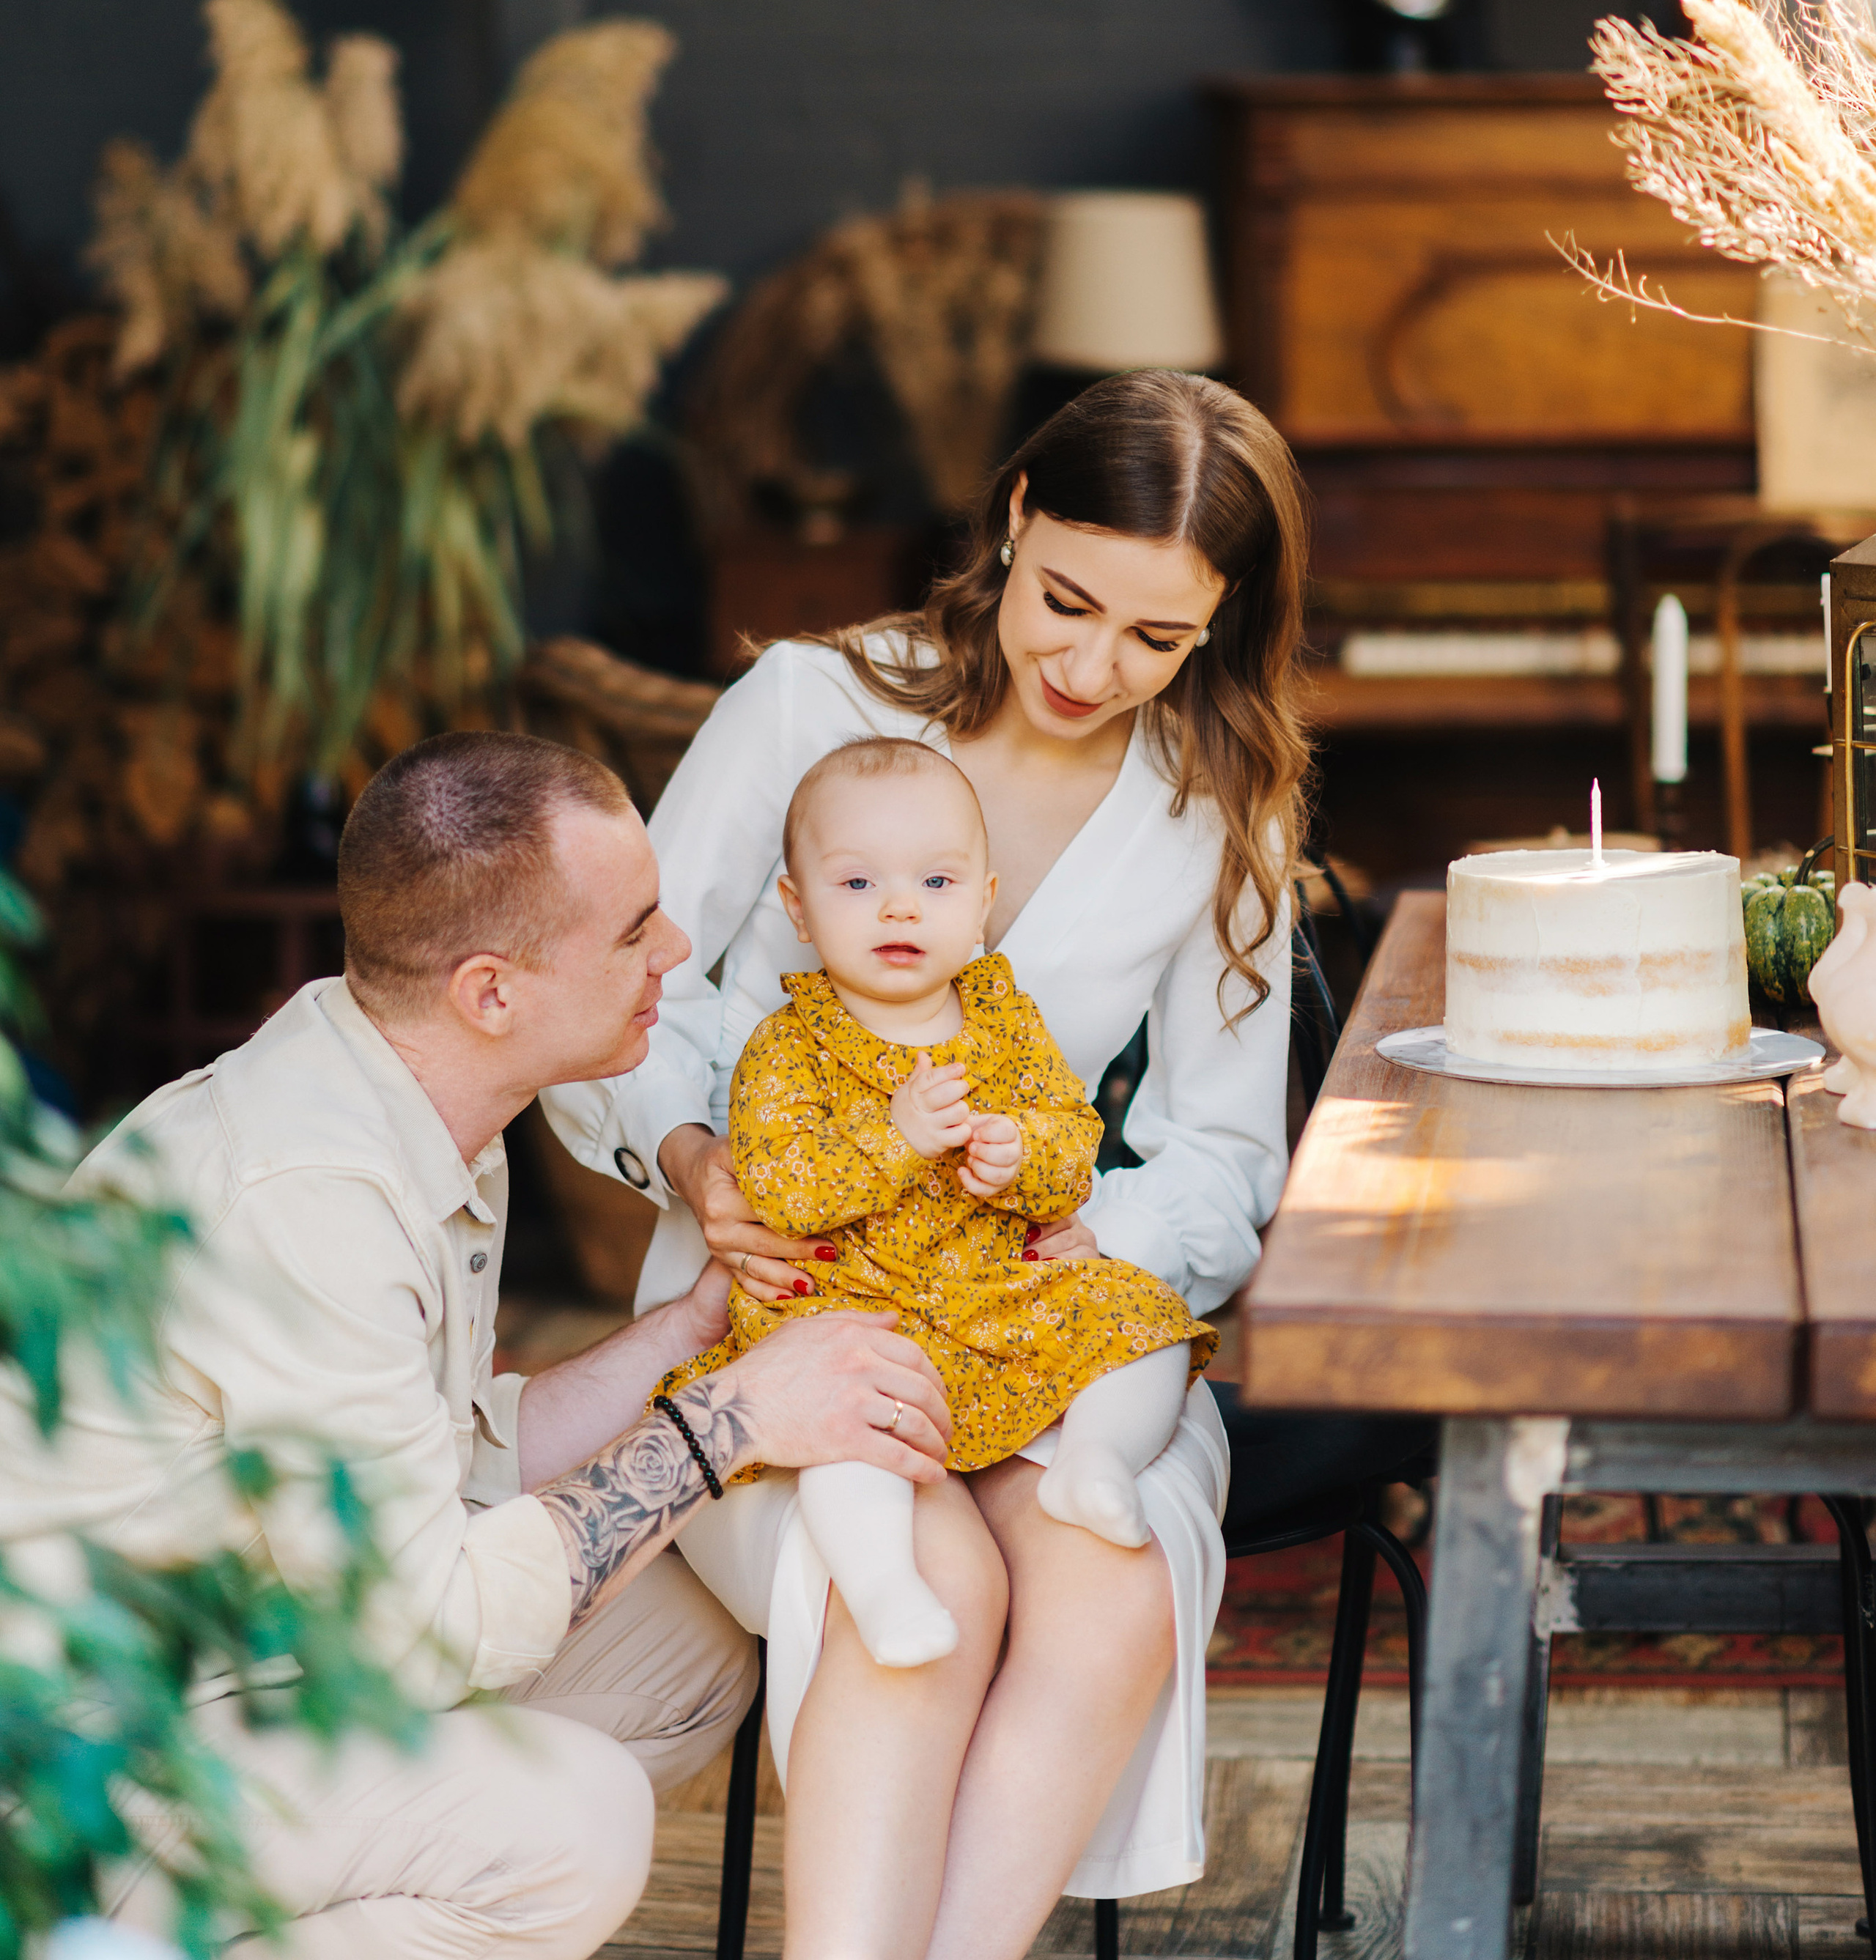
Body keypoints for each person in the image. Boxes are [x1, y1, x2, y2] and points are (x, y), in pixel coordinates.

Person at [543, 367, 1312, 1959]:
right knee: (930, 1598)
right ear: (1016, 515)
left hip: (1039, 1309)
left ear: (1220, 624)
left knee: (1107, 1589)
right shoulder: (808, 706)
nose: (1089, 669)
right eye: (1067, 603)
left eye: (1157, 638)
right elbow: (619, 995)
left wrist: (1091, 1234)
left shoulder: (1215, 802)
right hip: (791, 1299)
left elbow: (1226, 1153)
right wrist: (692, 1160)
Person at [2, 731, 952, 1960]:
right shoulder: (310, 1199)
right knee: (575, 1824)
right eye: (635, 930)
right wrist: (733, 1420)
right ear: (492, 992)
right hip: (93, 1768)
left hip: (278, 1643)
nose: (676, 950)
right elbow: (421, 1625)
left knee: (695, 1637)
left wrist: (694, 1330)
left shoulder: (427, 1095)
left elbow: (453, 1456)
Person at [658, 735, 1212, 1668]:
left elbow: (1071, 1143)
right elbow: (781, 1190)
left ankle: (1094, 1465)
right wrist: (898, 1135)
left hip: (991, 1294)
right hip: (851, 1312)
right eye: (857, 883)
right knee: (845, 1431)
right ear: (798, 907)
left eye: (937, 882)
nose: (901, 906)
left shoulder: (1005, 1022)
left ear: (983, 902)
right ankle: (883, 1586)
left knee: (1143, 1315)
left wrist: (1019, 1157)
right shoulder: (787, 1046)